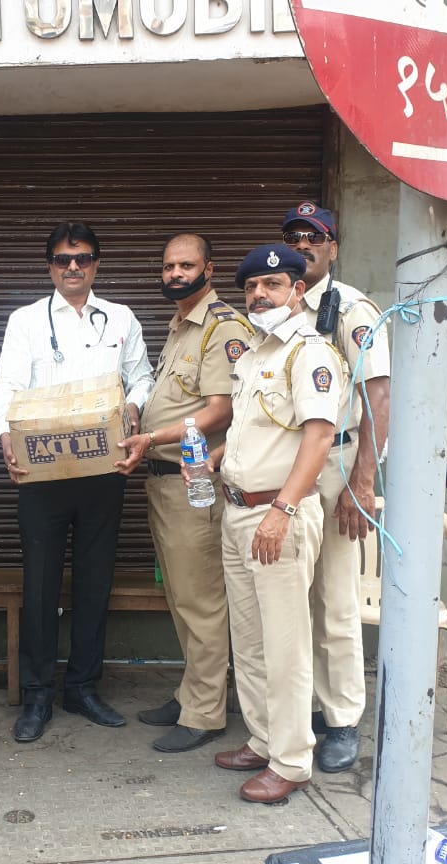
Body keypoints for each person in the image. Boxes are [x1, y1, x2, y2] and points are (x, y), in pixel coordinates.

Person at [0, 222, 154, 743]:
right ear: (50, 268)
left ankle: (82, 686)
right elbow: (8, 385)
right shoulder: (26, 321)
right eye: (62, 260)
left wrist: (131, 407)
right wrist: (5, 438)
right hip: (43, 474)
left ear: (97, 265)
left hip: (103, 469)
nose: (73, 267)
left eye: (82, 258)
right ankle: (37, 693)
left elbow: (143, 375)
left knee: (94, 580)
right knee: (40, 583)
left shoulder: (120, 318)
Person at [207, 242, 346, 805]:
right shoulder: (254, 354)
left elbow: (318, 439)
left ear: (295, 291)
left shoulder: (309, 353)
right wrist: (215, 458)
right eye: (252, 288)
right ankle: (263, 740)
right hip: (240, 512)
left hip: (277, 516)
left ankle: (291, 762)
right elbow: (255, 430)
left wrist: (283, 511)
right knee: (251, 640)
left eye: (272, 286)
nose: (259, 295)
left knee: (286, 645)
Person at [116, 234, 252, 753]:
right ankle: (194, 687)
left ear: (209, 268)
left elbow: (223, 410)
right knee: (180, 596)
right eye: (169, 265)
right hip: (166, 484)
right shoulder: (180, 327)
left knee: (201, 601)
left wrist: (153, 436)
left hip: (196, 482)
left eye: (186, 265)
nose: (175, 273)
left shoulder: (223, 329)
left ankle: (204, 712)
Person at [281, 202, 391, 774]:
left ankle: (343, 718)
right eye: (294, 236)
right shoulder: (282, 304)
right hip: (290, 467)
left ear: (333, 248)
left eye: (313, 238)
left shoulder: (352, 309)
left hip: (338, 464)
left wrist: (361, 481)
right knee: (295, 599)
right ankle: (306, 710)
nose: (303, 245)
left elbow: (379, 397)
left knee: (336, 601)